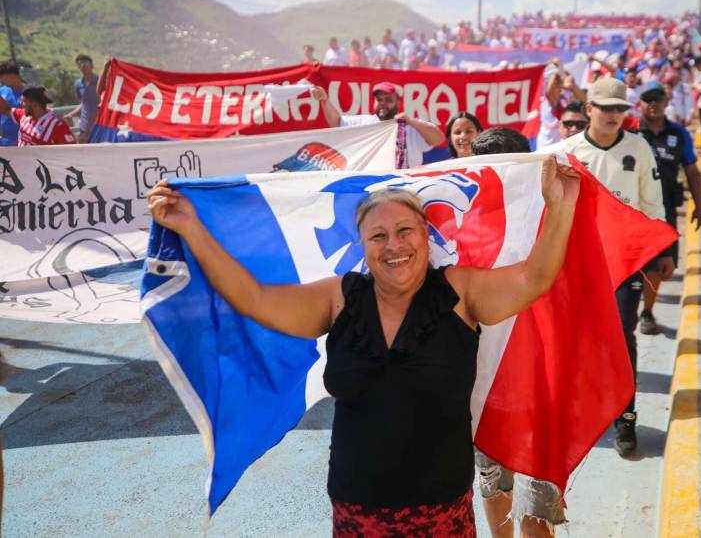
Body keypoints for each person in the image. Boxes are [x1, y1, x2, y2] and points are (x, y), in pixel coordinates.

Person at [146, 155, 581, 537]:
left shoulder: (461, 292)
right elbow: (253, 298)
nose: (394, 245)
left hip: (442, 511)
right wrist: (191, 227)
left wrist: (559, 206)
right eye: (378, 236)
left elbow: (533, 278)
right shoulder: (339, 297)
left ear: (426, 235)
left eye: (405, 230)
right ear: (363, 246)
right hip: (358, 510)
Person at [562, 77, 672, 457]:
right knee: (578, 342)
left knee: (621, 336)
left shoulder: (638, 148)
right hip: (580, 262)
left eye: (619, 109)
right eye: (605, 107)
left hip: (626, 260)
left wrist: (659, 251)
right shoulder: (566, 151)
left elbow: (653, 203)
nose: (613, 115)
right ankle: (581, 414)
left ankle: (625, 419)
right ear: (589, 108)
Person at [637, 82, 701, 335]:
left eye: (658, 98)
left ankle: (647, 312)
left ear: (667, 102)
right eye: (647, 98)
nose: (653, 103)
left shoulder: (679, 135)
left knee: (658, 268)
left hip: (664, 212)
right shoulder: (629, 131)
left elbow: (692, 171)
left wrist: (699, 205)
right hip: (630, 210)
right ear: (639, 102)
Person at [312, 81, 445, 167]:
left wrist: (410, 121)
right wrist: (325, 100)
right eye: (379, 99)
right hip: (374, 189)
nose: (383, 103)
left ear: (398, 103)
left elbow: (439, 139)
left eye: (388, 100)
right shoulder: (365, 123)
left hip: (406, 189)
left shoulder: (411, 126)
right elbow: (336, 122)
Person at [0, 86, 76, 146]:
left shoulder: (57, 125)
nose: (21, 104)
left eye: (24, 101)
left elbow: (71, 151)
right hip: (22, 164)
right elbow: (6, 110)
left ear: (35, 105)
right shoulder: (23, 115)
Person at [63, 54, 99, 143]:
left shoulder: (100, 81)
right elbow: (83, 104)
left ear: (92, 66)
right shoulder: (78, 84)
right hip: (84, 127)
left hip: (99, 127)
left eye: (85, 63)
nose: (83, 66)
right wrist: (71, 114)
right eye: (80, 64)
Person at [0, 60, 25, 146]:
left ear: (12, 76)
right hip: (4, 140)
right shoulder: (2, 91)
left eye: (2, 77)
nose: (1, 80)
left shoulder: (28, 94)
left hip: (21, 141)